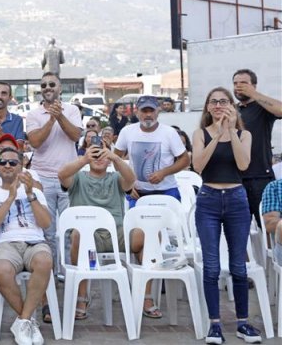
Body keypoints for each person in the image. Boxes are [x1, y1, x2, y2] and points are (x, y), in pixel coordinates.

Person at [192, 87, 261, 344]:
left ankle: (243, 323)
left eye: (224, 101)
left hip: (236, 200)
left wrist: (230, 131)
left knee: (237, 266)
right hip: (209, 199)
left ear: (232, 106)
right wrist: (217, 134)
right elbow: (198, 166)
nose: (219, 105)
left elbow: (243, 164)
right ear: (208, 107)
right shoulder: (200, 133)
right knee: (211, 266)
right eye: (214, 102)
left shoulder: (245, 134)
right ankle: (215, 325)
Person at [114, 94, 189, 317]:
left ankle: (163, 280)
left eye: (151, 111)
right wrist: (128, 184)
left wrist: (164, 172)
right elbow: (115, 157)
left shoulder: (169, 133)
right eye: (144, 111)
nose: (148, 115)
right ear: (137, 112)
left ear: (158, 112)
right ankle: (146, 287)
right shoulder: (128, 132)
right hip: (138, 193)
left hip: (166, 192)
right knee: (142, 239)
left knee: (167, 240)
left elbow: (185, 160)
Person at [0, 141, 52, 345]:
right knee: (1, 269)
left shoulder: (35, 192)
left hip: (34, 241)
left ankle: (22, 321)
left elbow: (45, 223)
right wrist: (10, 197)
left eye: (13, 162)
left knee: (45, 262)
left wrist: (29, 195)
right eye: (3, 162)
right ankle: (28, 321)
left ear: (21, 166)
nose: (8, 166)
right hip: (7, 243)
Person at [58, 141, 136, 321]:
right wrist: (84, 159)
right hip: (87, 237)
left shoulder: (116, 177)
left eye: (102, 154)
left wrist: (115, 157)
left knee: (146, 234)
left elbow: (131, 180)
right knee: (78, 235)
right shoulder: (78, 177)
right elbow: (62, 175)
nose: (98, 157)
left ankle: (145, 297)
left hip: (116, 234)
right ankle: (82, 295)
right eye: (95, 154)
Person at [25, 72, 82, 275]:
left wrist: (60, 115)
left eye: (51, 84)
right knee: (47, 229)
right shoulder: (33, 115)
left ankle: (68, 272)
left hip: (68, 177)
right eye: (43, 85)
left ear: (60, 88)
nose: (47, 88)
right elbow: (35, 142)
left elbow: (75, 135)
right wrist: (51, 119)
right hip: (42, 178)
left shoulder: (73, 110)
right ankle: (49, 272)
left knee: (69, 228)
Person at [233, 69, 282, 226]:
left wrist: (254, 94)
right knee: (238, 230)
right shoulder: (231, 110)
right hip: (235, 178)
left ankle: (272, 252)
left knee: (268, 226)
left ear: (254, 85)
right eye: (235, 83)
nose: (239, 86)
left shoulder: (262, 107)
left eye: (244, 83)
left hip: (261, 176)